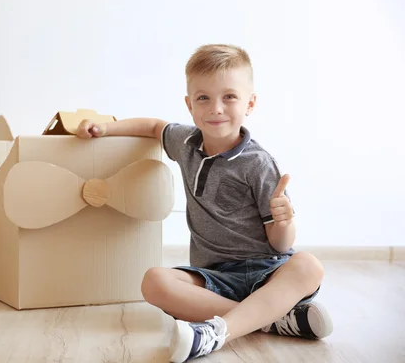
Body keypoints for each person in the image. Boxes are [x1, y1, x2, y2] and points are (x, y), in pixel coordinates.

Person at [75, 44, 333, 362]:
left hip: (268, 273)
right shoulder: (185, 143)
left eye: (229, 97)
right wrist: (104, 128)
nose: (216, 109)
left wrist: (284, 222)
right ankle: (273, 321)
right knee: (154, 281)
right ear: (189, 105)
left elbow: (280, 246)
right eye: (203, 98)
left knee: (308, 265)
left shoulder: (259, 163)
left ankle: (215, 332)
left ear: (250, 103)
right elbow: (154, 127)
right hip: (214, 277)